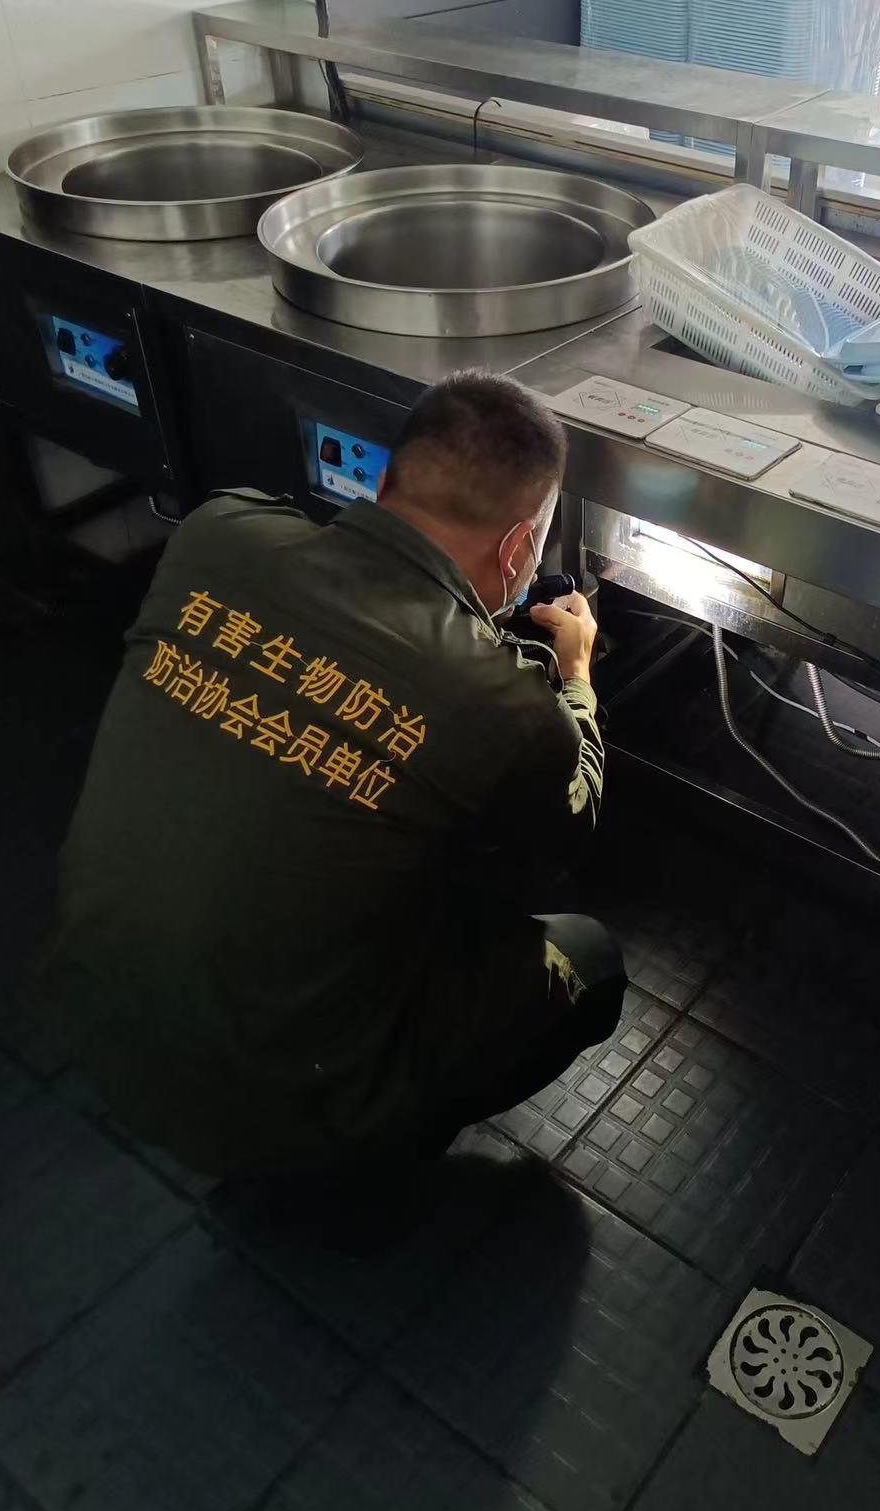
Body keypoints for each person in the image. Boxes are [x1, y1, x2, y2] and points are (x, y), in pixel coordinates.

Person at [45, 370, 624, 1200]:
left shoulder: (217, 531)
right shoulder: (498, 699)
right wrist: (576, 674)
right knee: (589, 960)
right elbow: (576, 818)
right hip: (289, 1108)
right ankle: (367, 1157)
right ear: (516, 550)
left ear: (386, 480)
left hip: (102, 1036)